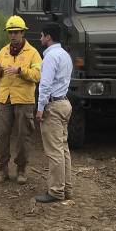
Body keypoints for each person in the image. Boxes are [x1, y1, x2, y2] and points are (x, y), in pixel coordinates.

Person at [0, 15, 42, 184]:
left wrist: (20, 70)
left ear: (22, 33)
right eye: (10, 32)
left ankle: (21, 169)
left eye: (16, 32)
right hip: (4, 98)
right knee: (1, 134)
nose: (12, 35)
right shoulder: (3, 51)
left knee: (23, 136)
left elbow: (37, 75)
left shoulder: (33, 53)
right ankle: (2, 169)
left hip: (24, 100)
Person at [35, 23, 74, 203]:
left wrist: (40, 108)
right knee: (63, 148)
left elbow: (45, 85)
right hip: (65, 102)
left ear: (48, 37)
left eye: (42, 35)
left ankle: (56, 191)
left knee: (54, 151)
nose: (41, 38)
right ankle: (67, 187)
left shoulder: (50, 57)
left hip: (53, 106)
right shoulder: (65, 55)